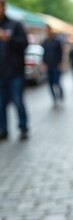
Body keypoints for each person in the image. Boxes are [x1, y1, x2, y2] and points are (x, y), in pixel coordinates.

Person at [0, 0, 29, 140]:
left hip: (15, 72)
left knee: (18, 101)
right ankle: (3, 130)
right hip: (1, 73)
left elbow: (25, 44)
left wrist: (9, 38)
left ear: (3, 7)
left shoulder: (15, 24)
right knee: (1, 104)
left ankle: (23, 127)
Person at [41, 25, 64, 104]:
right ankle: (54, 97)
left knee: (56, 81)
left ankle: (60, 92)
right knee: (50, 83)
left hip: (56, 64)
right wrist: (43, 64)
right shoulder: (44, 42)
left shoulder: (56, 41)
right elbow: (43, 54)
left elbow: (60, 53)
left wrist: (60, 62)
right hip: (48, 65)